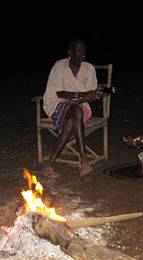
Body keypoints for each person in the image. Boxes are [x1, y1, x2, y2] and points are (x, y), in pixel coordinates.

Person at [42, 38, 104, 177]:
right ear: (70, 52)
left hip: (82, 108)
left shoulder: (89, 68)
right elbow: (60, 93)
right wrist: (82, 96)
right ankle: (84, 161)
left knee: (73, 116)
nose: (83, 53)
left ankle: (50, 164)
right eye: (79, 50)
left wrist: (86, 97)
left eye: (84, 50)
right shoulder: (59, 66)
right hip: (57, 105)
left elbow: (93, 94)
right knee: (75, 113)